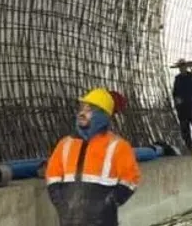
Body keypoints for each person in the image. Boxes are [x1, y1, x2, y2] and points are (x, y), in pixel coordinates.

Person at [45, 88, 140, 226]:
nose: (82, 113)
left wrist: (111, 202)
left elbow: (131, 178)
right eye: (81, 109)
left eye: (89, 110)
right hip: (69, 221)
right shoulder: (64, 144)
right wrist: (60, 203)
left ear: (101, 116)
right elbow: (52, 175)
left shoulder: (118, 146)